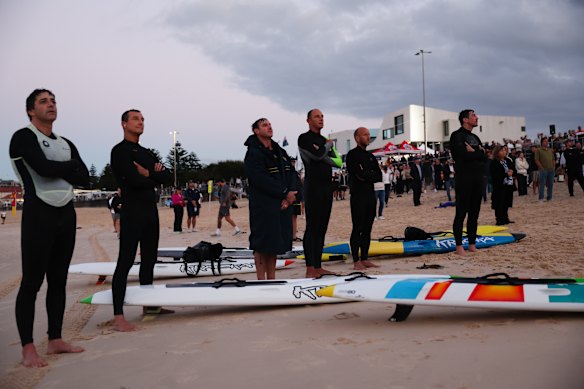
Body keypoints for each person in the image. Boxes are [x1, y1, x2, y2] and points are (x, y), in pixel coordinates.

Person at [10, 89, 89, 367]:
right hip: (38, 215)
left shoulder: (65, 143)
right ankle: (28, 347)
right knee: (32, 282)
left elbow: (86, 178)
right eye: (44, 101)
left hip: (65, 214)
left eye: (53, 100)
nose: (51, 105)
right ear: (31, 110)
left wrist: (64, 168)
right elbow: (42, 169)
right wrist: (69, 168)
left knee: (59, 280)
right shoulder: (23, 137)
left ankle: (55, 339)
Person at [110, 109, 172, 332]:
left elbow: (167, 176)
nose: (140, 122)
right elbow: (132, 180)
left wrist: (149, 175)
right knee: (125, 262)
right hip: (132, 212)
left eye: (143, 119)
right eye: (135, 119)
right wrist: (151, 177)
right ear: (124, 123)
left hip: (149, 212)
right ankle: (118, 316)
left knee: (149, 260)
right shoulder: (119, 152)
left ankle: (150, 307)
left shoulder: (146, 152)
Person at [244, 118, 299, 279]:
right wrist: (283, 192)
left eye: (269, 124)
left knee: (274, 244)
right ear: (256, 130)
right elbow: (259, 178)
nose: (269, 127)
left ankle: (272, 278)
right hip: (262, 206)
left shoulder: (279, 151)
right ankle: (261, 280)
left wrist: (290, 196)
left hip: (281, 205)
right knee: (261, 244)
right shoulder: (253, 153)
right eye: (264, 125)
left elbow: (292, 173)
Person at [298, 108, 341, 278]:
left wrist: (324, 151)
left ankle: (318, 265)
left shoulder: (322, 140)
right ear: (308, 120)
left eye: (322, 116)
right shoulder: (304, 138)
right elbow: (317, 156)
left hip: (326, 186)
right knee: (312, 227)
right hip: (313, 187)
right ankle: (310, 268)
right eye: (317, 116)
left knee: (322, 227)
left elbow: (336, 162)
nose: (321, 119)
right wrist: (327, 148)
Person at [450, 109, 486, 256]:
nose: (477, 117)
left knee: (474, 213)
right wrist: (478, 153)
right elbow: (461, 155)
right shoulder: (457, 135)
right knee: (461, 212)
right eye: (473, 115)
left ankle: (472, 244)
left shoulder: (475, 137)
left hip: (478, 178)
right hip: (464, 178)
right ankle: (459, 246)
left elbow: (484, 156)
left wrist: (476, 153)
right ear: (465, 119)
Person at [345, 127, 382, 270]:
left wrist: (367, 175)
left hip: (370, 196)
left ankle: (365, 258)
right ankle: (356, 260)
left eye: (368, 135)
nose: (368, 137)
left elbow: (378, 175)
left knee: (368, 228)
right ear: (357, 138)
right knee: (358, 228)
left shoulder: (371, 156)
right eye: (365, 135)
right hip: (358, 196)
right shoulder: (352, 155)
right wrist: (368, 175)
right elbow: (359, 175)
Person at [490, 145, 515, 225]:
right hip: (499, 185)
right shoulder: (494, 162)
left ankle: (505, 218)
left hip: (508, 184)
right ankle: (499, 219)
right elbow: (495, 174)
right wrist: (506, 174)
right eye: (502, 150)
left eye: (505, 150)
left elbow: (513, 168)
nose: (504, 152)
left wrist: (512, 171)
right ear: (497, 152)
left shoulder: (508, 160)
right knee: (499, 203)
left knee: (506, 202)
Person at [535, 137, 555, 202]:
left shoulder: (550, 150)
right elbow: (536, 160)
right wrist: (541, 168)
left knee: (550, 184)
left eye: (547, 141)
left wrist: (553, 166)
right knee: (542, 184)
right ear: (542, 142)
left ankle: (549, 197)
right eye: (545, 141)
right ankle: (541, 198)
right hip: (543, 170)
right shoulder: (538, 150)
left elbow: (553, 159)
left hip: (551, 170)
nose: (546, 142)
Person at [290, 158, 304, 242]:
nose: (293, 163)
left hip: (297, 197)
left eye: (294, 162)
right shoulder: (288, 173)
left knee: (294, 217)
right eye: (292, 162)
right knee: (289, 217)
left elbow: (300, 186)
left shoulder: (296, 174)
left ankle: (294, 235)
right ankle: (291, 235)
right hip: (290, 197)